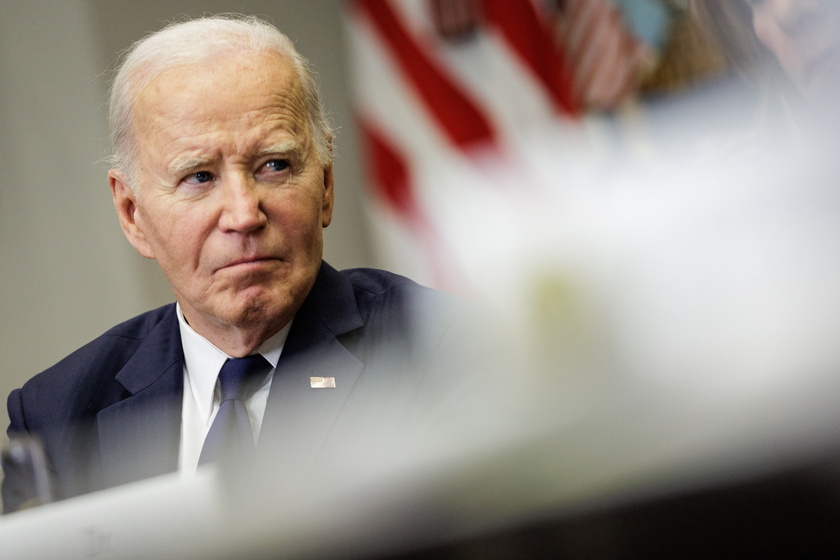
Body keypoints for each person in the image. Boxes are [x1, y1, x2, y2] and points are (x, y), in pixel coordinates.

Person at [2, 14, 476, 513]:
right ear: (132, 213)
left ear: (327, 186)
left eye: (274, 165)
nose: (245, 214)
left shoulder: (443, 351)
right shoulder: (57, 417)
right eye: (200, 176)